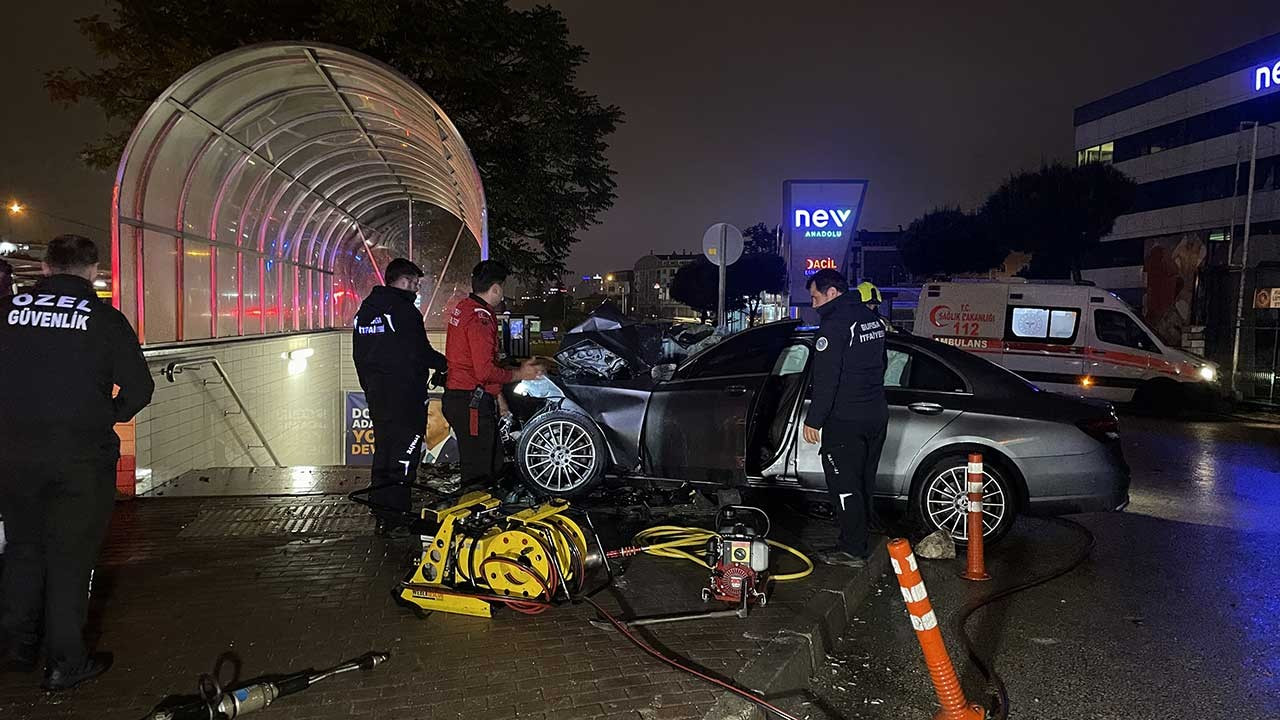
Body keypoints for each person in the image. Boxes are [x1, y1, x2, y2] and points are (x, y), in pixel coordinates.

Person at [0, 235, 153, 690]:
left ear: (45, 268)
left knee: (23, 550)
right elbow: (139, 389)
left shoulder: (7, 312)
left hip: (13, 456)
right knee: (70, 558)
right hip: (81, 459)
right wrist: (107, 414)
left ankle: (17, 647)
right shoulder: (103, 318)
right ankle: (64, 662)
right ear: (92, 271)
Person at [352, 258, 447, 535]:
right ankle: (398, 514)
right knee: (405, 455)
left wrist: (370, 388)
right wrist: (445, 364)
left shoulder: (366, 311)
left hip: (378, 397)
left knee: (384, 451)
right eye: (415, 283)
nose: (417, 290)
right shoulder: (404, 310)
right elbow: (419, 351)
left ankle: (381, 508)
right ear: (404, 281)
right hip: (406, 398)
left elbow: (359, 356)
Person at [802, 269, 888, 568]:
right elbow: (882, 364)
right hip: (875, 413)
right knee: (864, 480)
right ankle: (859, 538)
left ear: (832, 293)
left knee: (844, 484)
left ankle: (853, 549)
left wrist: (814, 419)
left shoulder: (835, 325)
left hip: (845, 419)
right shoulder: (871, 319)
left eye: (815, 297)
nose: (813, 304)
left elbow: (827, 378)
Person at [443, 260, 542, 486]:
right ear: (496, 288)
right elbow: (485, 370)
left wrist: (500, 400)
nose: (502, 294)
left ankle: (479, 513)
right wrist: (521, 374)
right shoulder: (480, 318)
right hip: (471, 403)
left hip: (467, 398)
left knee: (493, 463)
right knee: (480, 472)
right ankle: (471, 516)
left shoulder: (465, 307)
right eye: (502, 288)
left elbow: (481, 367)